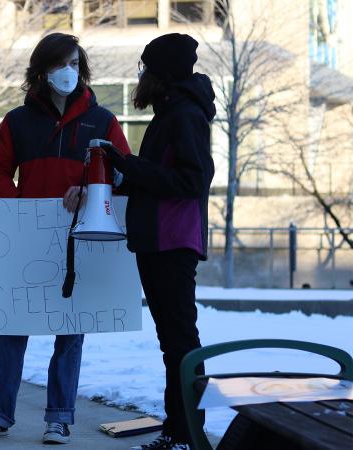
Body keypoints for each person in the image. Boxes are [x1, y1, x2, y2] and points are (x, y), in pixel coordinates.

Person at [0, 33, 131, 445]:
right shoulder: (17, 122)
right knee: (10, 328)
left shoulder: (104, 121)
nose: (69, 72)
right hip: (26, 240)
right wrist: (18, 206)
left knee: (71, 331)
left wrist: (92, 194)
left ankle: (59, 417)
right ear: (41, 71)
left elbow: (123, 174)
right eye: (61, 64)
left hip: (80, 240)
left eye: (75, 63)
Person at [99, 33, 215, 450]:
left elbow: (192, 179)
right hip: (157, 240)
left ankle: (185, 435)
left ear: (161, 73)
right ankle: (177, 431)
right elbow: (159, 175)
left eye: (145, 67)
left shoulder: (185, 115)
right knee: (173, 342)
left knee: (181, 340)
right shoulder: (170, 113)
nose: (141, 76)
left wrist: (128, 165)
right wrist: (121, 174)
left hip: (172, 241)